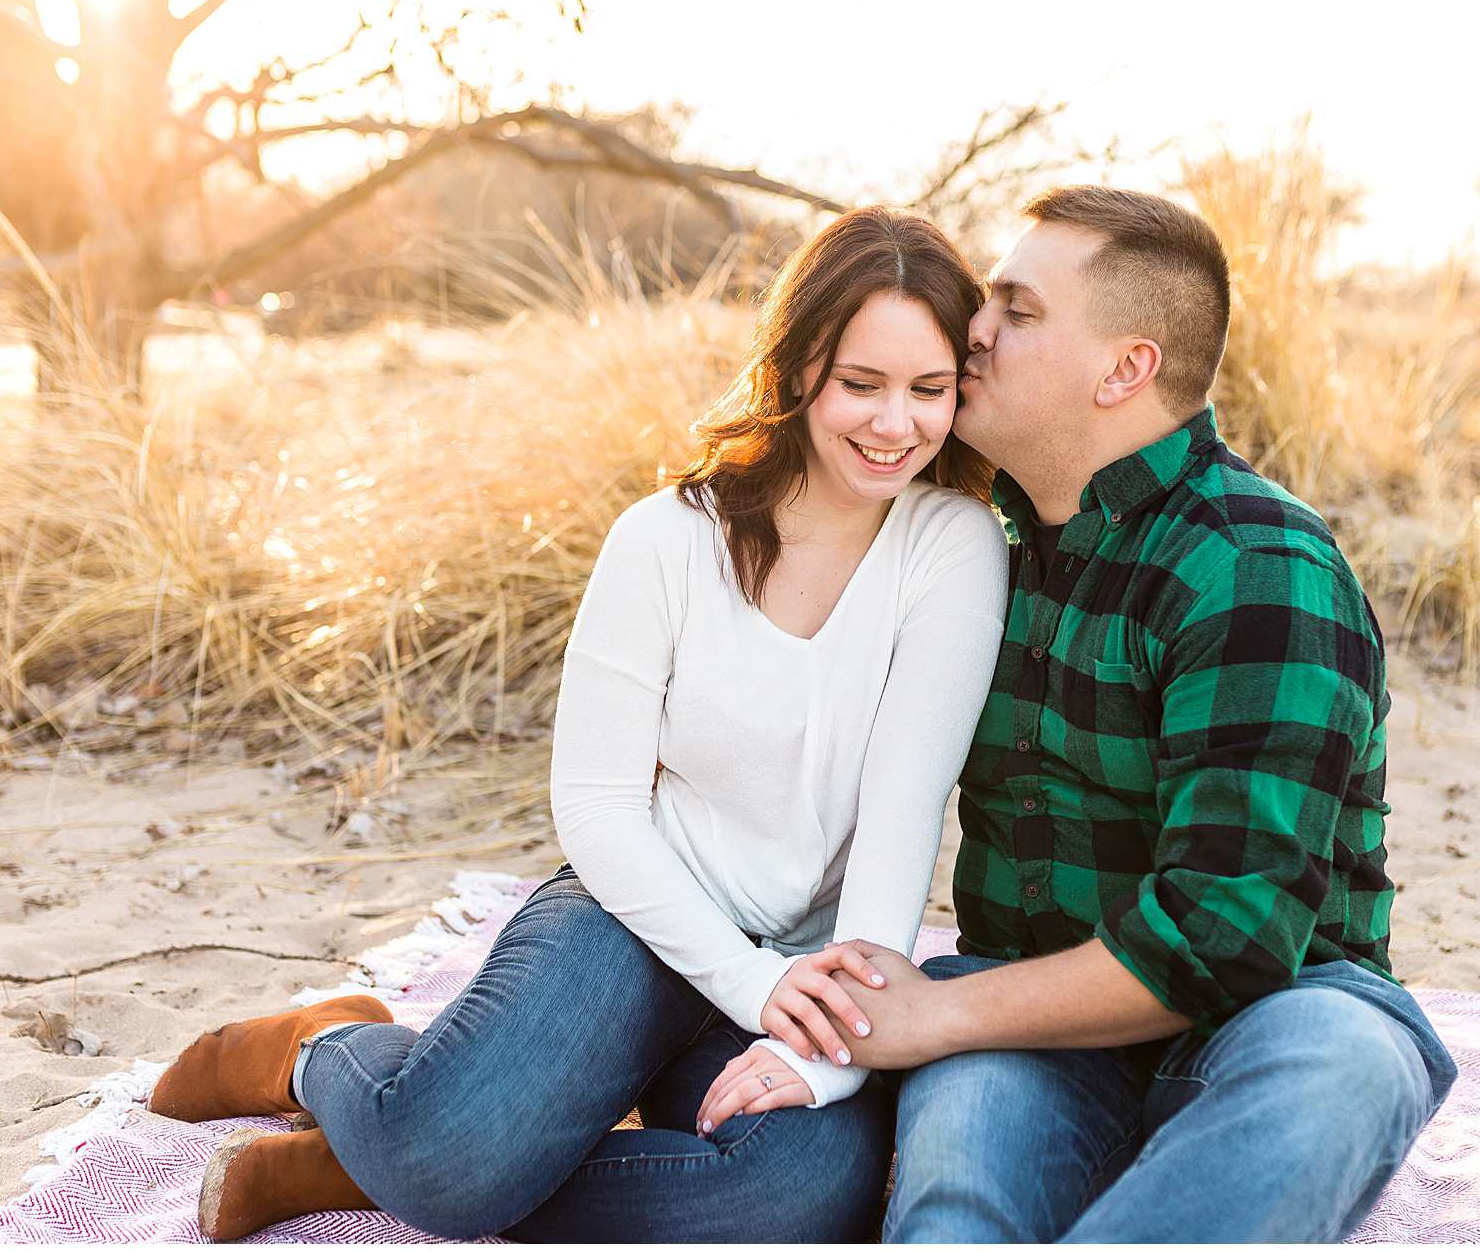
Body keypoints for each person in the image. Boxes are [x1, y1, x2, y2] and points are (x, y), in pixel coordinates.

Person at [142, 205, 1011, 1242]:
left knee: (792, 1197)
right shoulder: (666, 541)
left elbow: (902, 814)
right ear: (798, 372)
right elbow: (595, 807)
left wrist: (819, 1050)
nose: (893, 425)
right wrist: (748, 978)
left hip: (813, 959)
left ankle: (368, 1171)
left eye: (927, 390)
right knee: (446, 1155)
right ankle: (318, 1054)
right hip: (632, 917)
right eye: (859, 385)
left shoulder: (954, 544)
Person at [811, 185, 1460, 1243]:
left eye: (1016, 311)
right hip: (1028, 1021)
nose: (971, 326)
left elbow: (1224, 936)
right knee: (955, 1212)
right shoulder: (966, 550)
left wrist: (935, 1013)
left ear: (1126, 368)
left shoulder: (1253, 566)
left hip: (1272, 1015)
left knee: (1339, 1064)